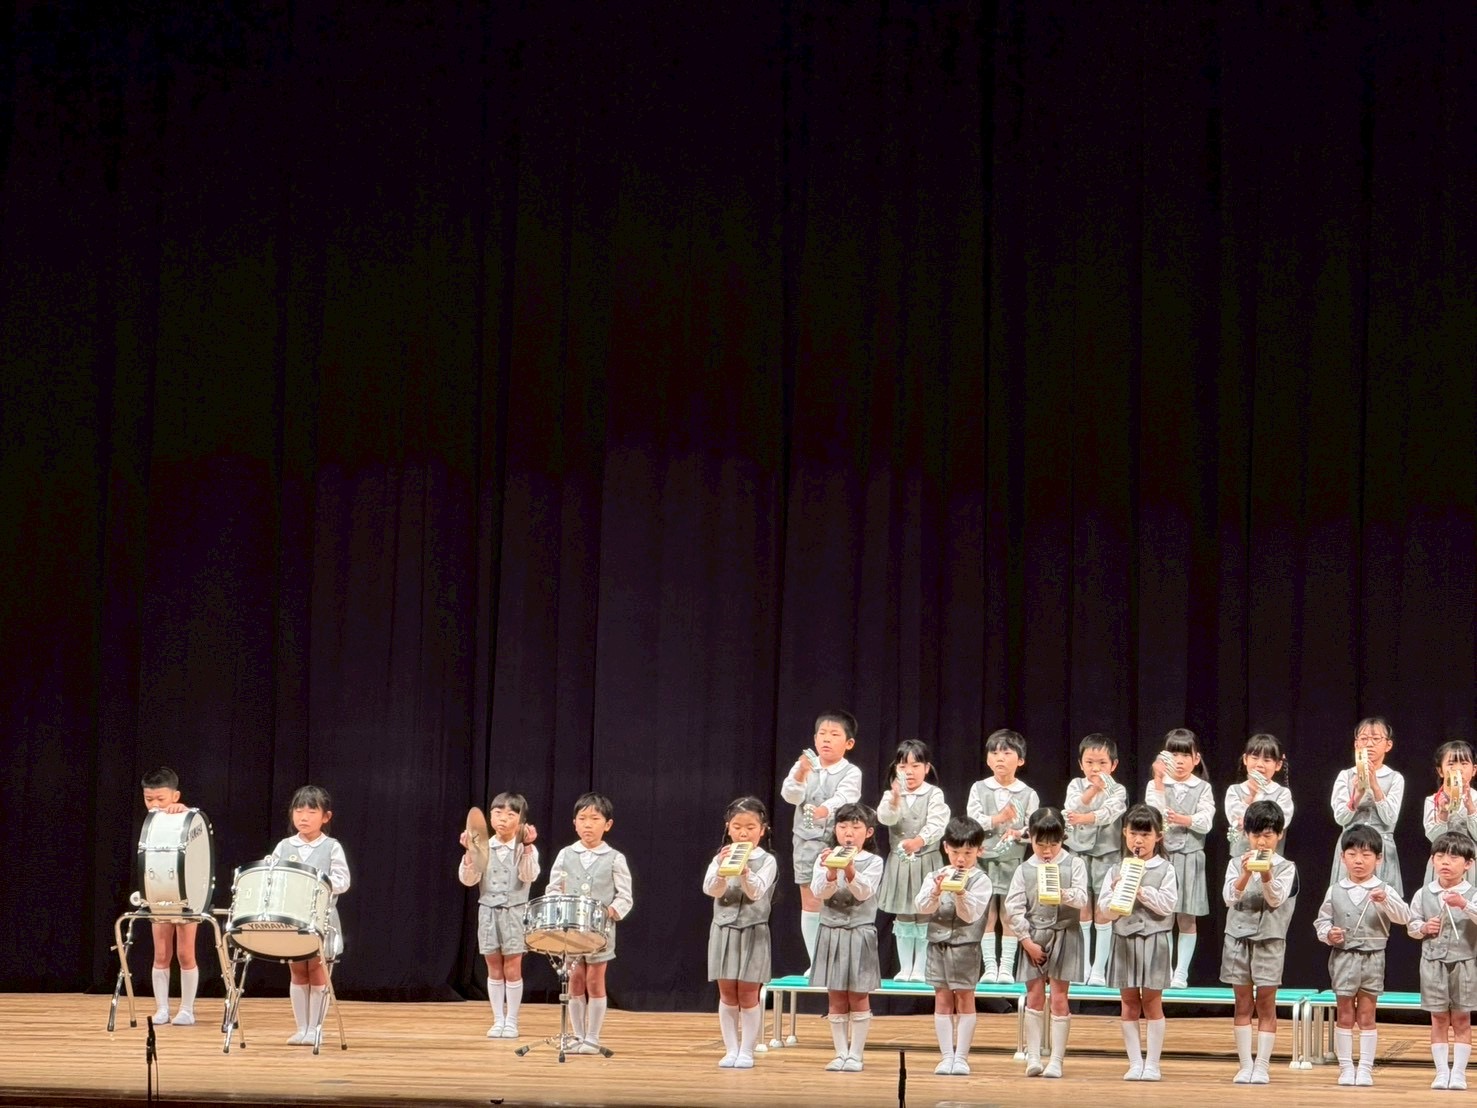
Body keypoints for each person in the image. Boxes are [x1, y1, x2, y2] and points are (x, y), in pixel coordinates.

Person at [1313, 823, 1411, 1087]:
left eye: (1366, 855)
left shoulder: (1384, 888)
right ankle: (1346, 1068)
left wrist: (1386, 900)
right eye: (1352, 854)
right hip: (1343, 957)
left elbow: (1404, 917)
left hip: (1373, 958)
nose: (1359, 860)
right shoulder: (1335, 889)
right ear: (1342, 857)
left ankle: (1365, 1069)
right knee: (1345, 1014)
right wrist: (1329, 933)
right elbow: (1322, 921)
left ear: (1378, 859)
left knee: (1367, 1015)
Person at [546, 792, 633, 1054]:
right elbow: (553, 888)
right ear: (574, 823)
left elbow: (625, 896)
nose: (588, 824)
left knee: (595, 981)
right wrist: (557, 906)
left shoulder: (614, 858)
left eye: (595, 819)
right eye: (582, 818)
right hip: (571, 930)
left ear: (608, 824)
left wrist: (612, 911)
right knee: (574, 981)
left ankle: (593, 1038)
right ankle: (578, 1035)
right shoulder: (565, 854)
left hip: (599, 931)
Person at [1006, 807, 1088, 1079]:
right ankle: (1033, 1056)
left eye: (1053, 844)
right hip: (1034, 936)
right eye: (1040, 844)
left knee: (1060, 998)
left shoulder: (1074, 864)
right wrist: (1026, 941)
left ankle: (1056, 1060)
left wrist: (1061, 893)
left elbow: (1082, 899)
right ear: (1030, 838)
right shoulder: (1024, 869)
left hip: (1065, 934)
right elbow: (1014, 908)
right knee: (1034, 996)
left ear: (1062, 838)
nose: (1047, 850)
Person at [1219, 799, 1297, 1084]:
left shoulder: (1286, 867)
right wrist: (1245, 873)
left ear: (1279, 835)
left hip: (1269, 940)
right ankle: (1244, 1065)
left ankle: (1262, 1066)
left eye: (1268, 835)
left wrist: (1265, 873)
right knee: (1242, 1003)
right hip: (1237, 939)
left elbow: (1276, 899)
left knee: (1266, 1003)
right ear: (1246, 835)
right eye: (1255, 835)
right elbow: (1229, 898)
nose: (1261, 841)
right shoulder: (1235, 863)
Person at [1099, 804, 1177, 1082]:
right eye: (1134, 834)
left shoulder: (1166, 869)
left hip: (1154, 940)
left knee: (1153, 1003)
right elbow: (1105, 911)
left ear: (1158, 836)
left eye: (1145, 834)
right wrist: (1118, 892)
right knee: (1129, 1003)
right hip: (1124, 939)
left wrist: (1140, 890)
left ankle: (1153, 1064)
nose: (1139, 841)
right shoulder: (1115, 870)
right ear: (1125, 834)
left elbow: (1167, 906)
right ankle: (1135, 1063)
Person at [780, 710, 863, 971]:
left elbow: (846, 797)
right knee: (810, 901)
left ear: (849, 743)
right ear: (815, 739)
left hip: (834, 842)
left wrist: (824, 810)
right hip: (805, 842)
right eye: (822, 734)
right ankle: (816, 962)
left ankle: (838, 962)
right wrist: (801, 773)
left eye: (834, 734)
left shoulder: (851, 771)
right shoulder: (804, 765)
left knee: (837, 900)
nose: (826, 739)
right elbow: (790, 796)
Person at [273, 785, 351, 1045]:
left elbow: (343, 881)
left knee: (317, 971)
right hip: (293, 918)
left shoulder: (331, 847)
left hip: (321, 918)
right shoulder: (284, 846)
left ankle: (316, 1028)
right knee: (297, 971)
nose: (303, 817)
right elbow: (274, 877)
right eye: (298, 811)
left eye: (311, 811)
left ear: (326, 817)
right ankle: (301, 1028)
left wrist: (318, 882)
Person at [703, 796, 777, 1069]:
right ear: (728, 827)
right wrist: (722, 871)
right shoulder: (720, 857)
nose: (743, 833)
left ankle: (747, 1050)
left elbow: (756, 892)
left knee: (748, 994)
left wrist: (744, 871)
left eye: (750, 827)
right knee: (727, 993)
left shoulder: (767, 860)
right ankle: (730, 1049)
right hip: (723, 929)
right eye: (737, 827)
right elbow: (711, 889)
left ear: (762, 830)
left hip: (753, 930)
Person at [458, 792, 539, 1039]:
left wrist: (527, 847)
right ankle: (498, 1020)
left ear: (521, 821)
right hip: (488, 912)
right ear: (490, 816)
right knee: (493, 966)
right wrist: (470, 852)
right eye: (497, 812)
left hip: (514, 912)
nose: (503, 818)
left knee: (512, 967)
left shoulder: (524, 848)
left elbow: (529, 876)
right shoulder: (483, 847)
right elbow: (468, 880)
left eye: (511, 814)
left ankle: (512, 1021)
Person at [810, 801, 884, 1072]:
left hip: (859, 932)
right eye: (842, 827)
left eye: (856, 827)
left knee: (858, 995)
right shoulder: (824, 858)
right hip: (831, 932)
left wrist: (849, 869)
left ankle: (856, 1055)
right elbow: (819, 892)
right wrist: (830, 871)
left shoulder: (874, 861)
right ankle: (840, 1053)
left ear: (869, 832)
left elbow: (864, 892)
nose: (848, 833)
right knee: (836, 996)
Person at [914, 817, 990, 1076]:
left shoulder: (980, 880)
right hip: (938, 944)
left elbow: (971, 915)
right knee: (942, 998)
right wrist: (936, 892)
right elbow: (921, 907)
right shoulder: (935, 876)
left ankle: (962, 1058)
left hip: (965, 947)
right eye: (956, 852)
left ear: (979, 851)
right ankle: (946, 1056)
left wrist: (960, 892)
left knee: (965, 998)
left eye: (968, 853)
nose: (960, 859)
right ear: (945, 847)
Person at [966, 728, 1039, 982]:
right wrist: (999, 818)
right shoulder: (979, 788)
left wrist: (1018, 833)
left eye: (1007, 753)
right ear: (987, 759)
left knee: (1009, 913)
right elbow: (973, 820)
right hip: (983, 860)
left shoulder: (1028, 793)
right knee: (986, 913)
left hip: (1012, 861)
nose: (1000, 758)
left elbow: (1033, 829)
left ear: (1020, 760)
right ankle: (989, 967)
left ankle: (1006, 967)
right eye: (994, 753)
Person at [1407, 831, 1477, 1090]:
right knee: (1438, 1018)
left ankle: (1458, 1074)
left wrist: (1464, 905)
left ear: (1468, 864)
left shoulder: (1472, 893)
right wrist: (1424, 927)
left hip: (1465, 962)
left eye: (1454, 857)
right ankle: (1441, 1072)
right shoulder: (1424, 893)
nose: (1446, 862)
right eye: (1440, 856)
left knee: (1461, 1018)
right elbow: (1411, 925)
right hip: (1432, 963)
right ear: (1432, 860)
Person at [1145, 727, 1213, 989]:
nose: (1180, 761)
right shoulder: (1156, 784)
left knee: (1187, 916)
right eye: (1174, 754)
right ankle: (1165, 969)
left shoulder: (1202, 787)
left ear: (1196, 758)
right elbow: (1153, 817)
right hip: (1162, 858)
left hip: (1191, 857)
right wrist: (1159, 780)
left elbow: (1206, 822)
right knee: (1163, 916)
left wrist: (1184, 819)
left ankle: (1181, 972)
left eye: (1185, 755)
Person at [877, 739, 950, 981]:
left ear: (926, 768)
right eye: (903, 766)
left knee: (925, 913)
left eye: (915, 765)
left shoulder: (933, 793)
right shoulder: (891, 795)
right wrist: (895, 799)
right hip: (900, 862)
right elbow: (885, 818)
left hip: (926, 860)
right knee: (904, 913)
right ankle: (905, 967)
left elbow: (938, 823)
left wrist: (919, 841)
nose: (909, 771)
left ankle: (920, 968)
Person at [1064, 733, 1127, 986]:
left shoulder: (1118, 789)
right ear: (1081, 764)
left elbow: (1109, 813)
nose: (1095, 768)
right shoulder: (1075, 785)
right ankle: (1083, 967)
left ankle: (1099, 969)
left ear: (1113, 765)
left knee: (1103, 909)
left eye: (1102, 763)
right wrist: (1092, 790)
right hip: (1078, 854)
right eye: (1090, 762)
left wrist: (1084, 818)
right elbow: (1071, 807)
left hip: (1107, 854)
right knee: (1081, 908)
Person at [139, 768, 201, 1026]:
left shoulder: (185, 816)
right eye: (148, 799)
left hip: (185, 893)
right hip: (160, 891)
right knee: (161, 953)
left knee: (185, 953)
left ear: (175, 796)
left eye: (161, 799)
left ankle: (187, 1009)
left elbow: (196, 831)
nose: (154, 804)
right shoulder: (151, 825)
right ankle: (162, 1008)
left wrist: (184, 810)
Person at [1329, 716, 1404, 895]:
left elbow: (1390, 818)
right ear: (1356, 744)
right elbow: (1340, 818)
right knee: (1345, 898)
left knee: (1381, 900)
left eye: (1376, 739)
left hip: (1380, 846)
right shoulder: (1346, 776)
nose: (1369, 744)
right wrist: (1357, 795)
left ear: (1388, 745)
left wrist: (1375, 786)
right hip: (1351, 846)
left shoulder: (1395, 778)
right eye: (1364, 739)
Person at [1224, 733, 1294, 855]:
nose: (1259, 764)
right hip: (1240, 857)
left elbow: (1278, 824)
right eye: (1255, 758)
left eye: (1267, 760)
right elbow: (1236, 821)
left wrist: (1249, 819)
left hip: (1269, 858)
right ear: (1245, 759)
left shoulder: (1282, 794)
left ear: (1278, 765)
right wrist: (1250, 797)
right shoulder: (1234, 790)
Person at [1422, 741, 1477, 885]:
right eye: (1451, 764)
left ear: (1474, 770)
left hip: (1471, 863)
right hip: (1443, 862)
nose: (1458, 769)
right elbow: (1434, 837)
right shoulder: (1433, 800)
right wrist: (1443, 813)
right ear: (1440, 771)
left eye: (1464, 764)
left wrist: (1471, 808)